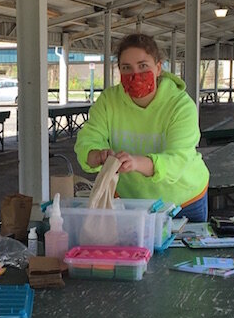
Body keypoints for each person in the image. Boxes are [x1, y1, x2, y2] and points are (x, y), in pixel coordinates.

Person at [74, 33, 210, 222]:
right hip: (131, 202)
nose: (135, 75)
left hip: (183, 200)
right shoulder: (108, 101)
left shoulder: (180, 105)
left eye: (143, 66)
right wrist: (97, 155)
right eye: (126, 68)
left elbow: (178, 159)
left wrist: (136, 163)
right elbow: (88, 139)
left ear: (158, 68)